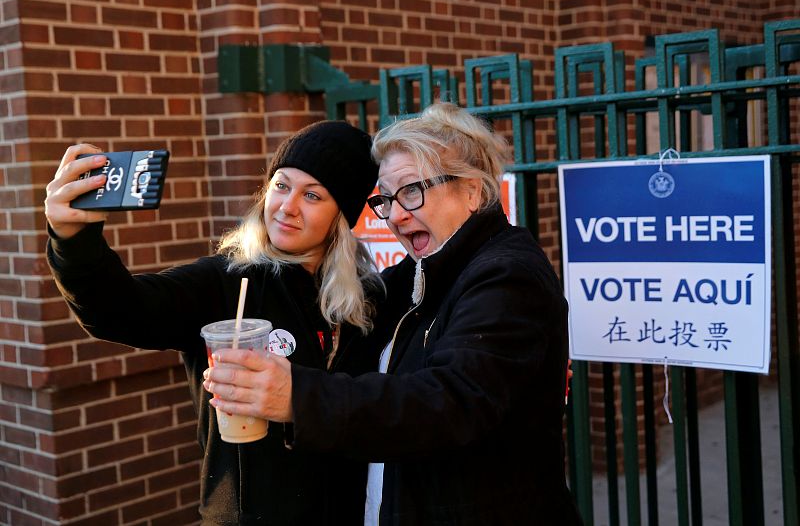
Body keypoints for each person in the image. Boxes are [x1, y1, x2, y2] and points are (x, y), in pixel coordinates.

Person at [203, 103, 584, 525]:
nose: (397, 216)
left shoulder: (507, 276)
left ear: (473, 192)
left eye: (412, 191)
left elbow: (449, 401)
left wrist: (297, 396)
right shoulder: (421, 273)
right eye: (386, 198)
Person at [45, 121, 385, 525]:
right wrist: (73, 241)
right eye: (281, 186)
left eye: (312, 195)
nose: (287, 206)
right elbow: (119, 310)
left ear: (342, 215)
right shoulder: (224, 280)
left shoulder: (366, 301)